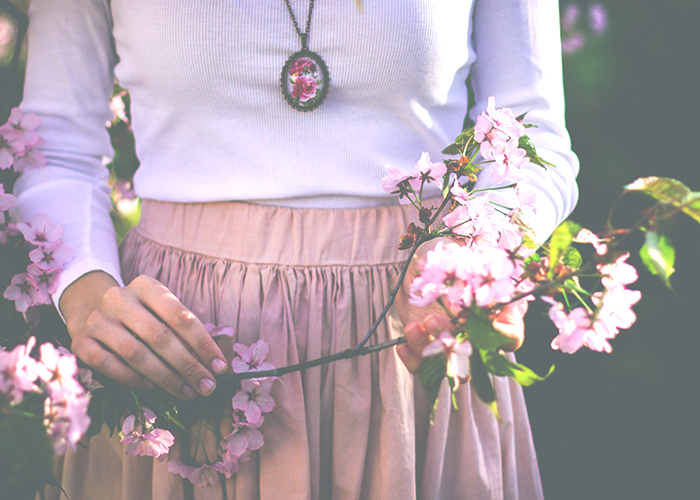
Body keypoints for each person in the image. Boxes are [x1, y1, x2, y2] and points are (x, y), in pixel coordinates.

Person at [16, 0, 579, 499]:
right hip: (178, 348)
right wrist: (86, 293)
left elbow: (537, 139)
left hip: (414, 328)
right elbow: (55, 148)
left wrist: (480, 259)